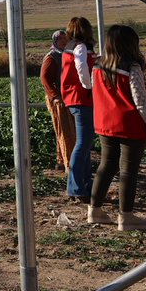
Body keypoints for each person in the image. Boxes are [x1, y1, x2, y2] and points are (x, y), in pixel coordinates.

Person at [88, 25, 146, 231]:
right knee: (128, 171)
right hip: (130, 126)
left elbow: (94, 92)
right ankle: (125, 217)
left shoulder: (97, 65)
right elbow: (141, 102)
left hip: (104, 123)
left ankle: (94, 210)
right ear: (131, 44)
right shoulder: (132, 67)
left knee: (106, 165)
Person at [61, 17, 96, 200]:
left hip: (73, 98)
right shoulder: (80, 47)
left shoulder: (70, 46)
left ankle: (83, 184)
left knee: (84, 143)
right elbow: (81, 67)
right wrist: (89, 86)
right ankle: (76, 187)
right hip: (81, 98)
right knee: (83, 143)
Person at [39, 30, 73, 171]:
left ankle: (61, 160)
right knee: (65, 131)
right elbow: (44, 78)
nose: (64, 42)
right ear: (55, 42)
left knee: (64, 130)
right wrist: (56, 96)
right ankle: (69, 164)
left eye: (66, 39)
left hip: (66, 97)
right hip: (58, 100)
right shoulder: (52, 57)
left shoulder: (65, 55)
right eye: (61, 40)